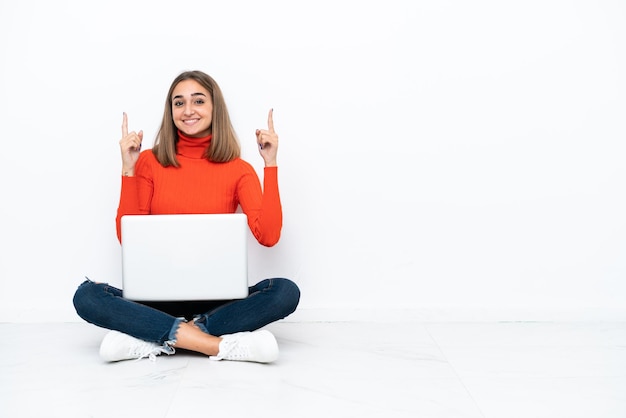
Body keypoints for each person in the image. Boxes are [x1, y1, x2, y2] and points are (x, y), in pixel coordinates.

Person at [73, 70, 300, 363]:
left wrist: (270, 165)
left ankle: (155, 337)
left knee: (284, 291)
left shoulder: (238, 169)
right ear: (171, 112)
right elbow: (127, 238)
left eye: (198, 101)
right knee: (87, 296)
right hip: (155, 299)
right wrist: (128, 171)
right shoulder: (148, 162)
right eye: (178, 103)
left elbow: (268, 236)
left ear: (214, 108)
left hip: (219, 301)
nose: (188, 110)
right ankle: (213, 344)